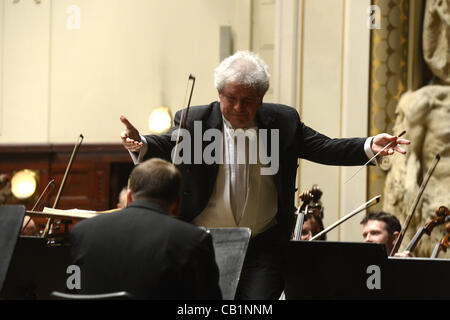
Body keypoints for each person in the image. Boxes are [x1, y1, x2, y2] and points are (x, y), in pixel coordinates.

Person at [119, 51, 410, 299]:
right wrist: (141, 142)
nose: (238, 107)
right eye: (231, 98)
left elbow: (325, 147)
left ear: (261, 98)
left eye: (248, 100)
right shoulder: (194, 120)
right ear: (219, 94)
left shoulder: (282, 121)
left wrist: (369, 145)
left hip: (261, 244)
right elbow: (165, 143)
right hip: (203, 241)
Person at [69, 158, 222, 299]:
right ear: (178, 205)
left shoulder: (82, 232)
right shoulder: (193, 240)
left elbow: (72, 290)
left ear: (129, 198)